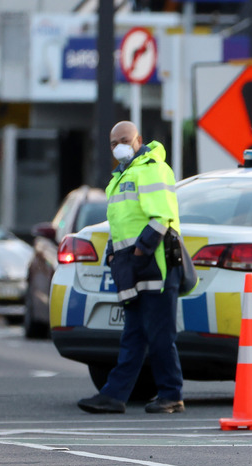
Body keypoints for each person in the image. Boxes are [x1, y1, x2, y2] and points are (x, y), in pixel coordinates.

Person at [78, 121, 187, 414]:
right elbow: (120, 225)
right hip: (133, 266)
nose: (119, 147)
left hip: (156, 263)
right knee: (134, 334)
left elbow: (161, 217)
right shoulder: (119, 178)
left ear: (139, 139)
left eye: (124, 140)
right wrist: (115, 254)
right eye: (113, 143)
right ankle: (114, 395)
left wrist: (139, 253)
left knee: (160, 334)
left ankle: (171, 394)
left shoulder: (153, 168)